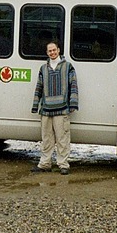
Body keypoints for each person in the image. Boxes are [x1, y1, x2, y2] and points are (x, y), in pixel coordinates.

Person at [30, 40, 79, 175]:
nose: (52, 52)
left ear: (59, 50)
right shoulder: (43, 68)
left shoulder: (68, 67)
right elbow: (39, 87)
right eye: (49, 51)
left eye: (54, 50)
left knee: (62, 138)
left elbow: (73, 85)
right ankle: (45, 164)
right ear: (47, 53)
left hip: (62, 109)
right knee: (46, 139)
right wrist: (35, 105)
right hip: (45, 110)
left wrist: (73, 103)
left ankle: (63, 164)